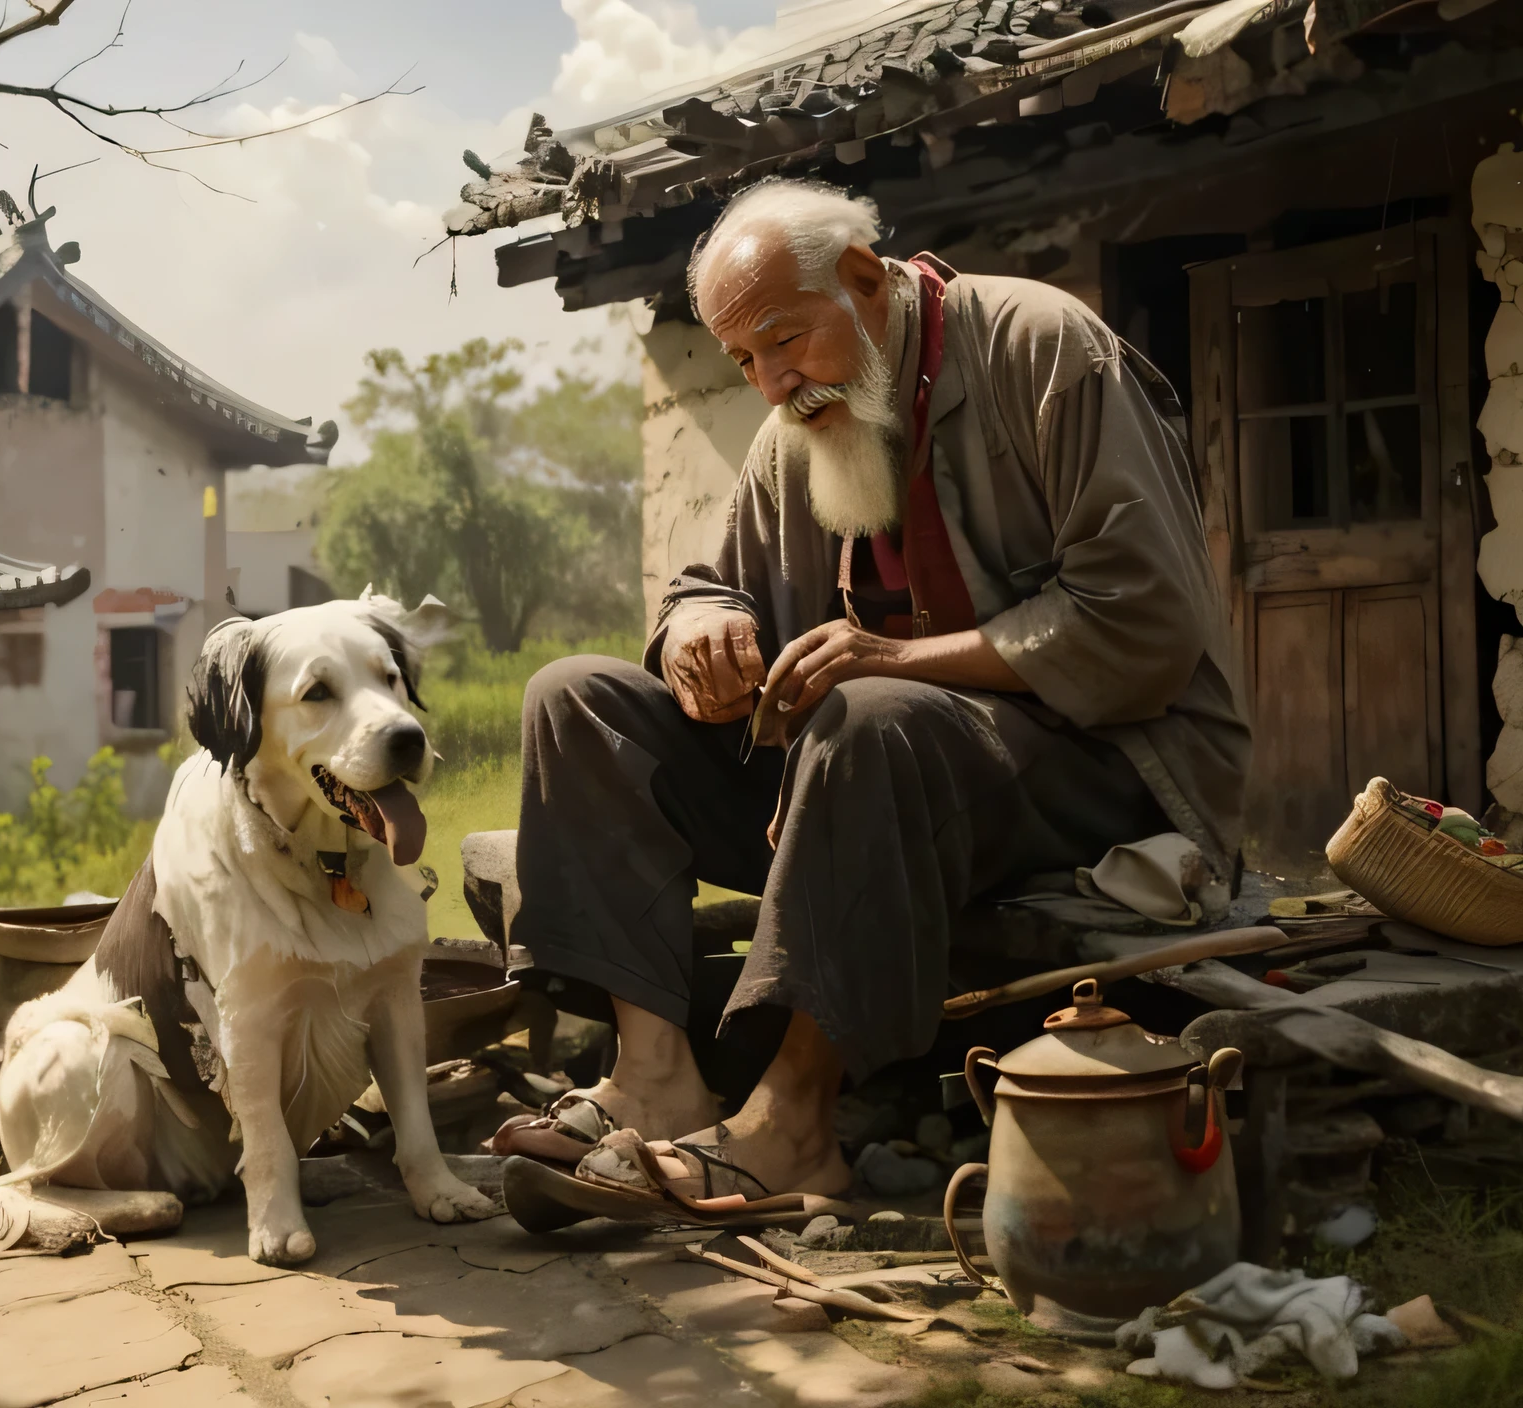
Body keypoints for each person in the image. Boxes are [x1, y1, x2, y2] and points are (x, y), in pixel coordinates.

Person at [491, 177, 1249, 1210]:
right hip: (869, 777)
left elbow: (1144, 622)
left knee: (865, 716)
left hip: (1100, 777)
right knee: (574, 697)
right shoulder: (794, 425)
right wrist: (699, 629)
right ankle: (655, 1078)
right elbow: (710, 580)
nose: (769, 381)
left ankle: (793, 1126)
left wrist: (889, 662)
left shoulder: (1043, 347)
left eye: (783, 341)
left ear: (860, 277)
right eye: (743, 360)